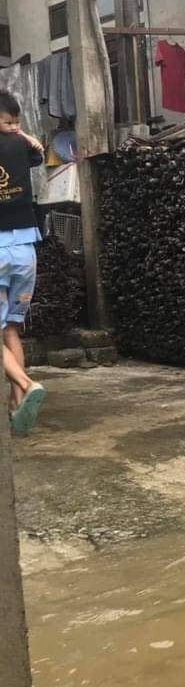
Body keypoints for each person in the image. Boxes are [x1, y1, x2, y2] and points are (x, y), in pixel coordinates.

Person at [0, 90, 47, 434]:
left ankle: (26, 384)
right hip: (26, 249)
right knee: (11, 328)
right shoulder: (22, 145)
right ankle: (18, 404)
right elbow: (39, 152)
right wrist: (24, 133)